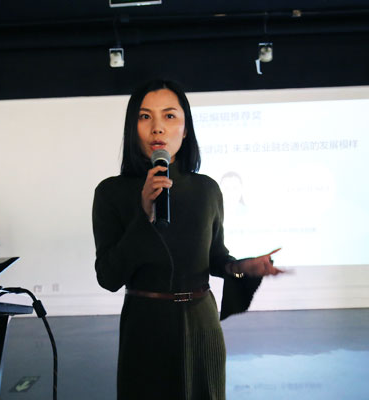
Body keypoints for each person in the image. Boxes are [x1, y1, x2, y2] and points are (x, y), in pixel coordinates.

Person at [92, 79, 285, 400]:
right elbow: (108, 277)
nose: (157, 128)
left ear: (185, 130)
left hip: (201, 325)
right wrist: (144, 215)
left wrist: (243, 268)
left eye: (169, 116)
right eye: (145, 117)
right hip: (145, 325)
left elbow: (217, 259)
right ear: (132, 128)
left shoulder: (206, 189)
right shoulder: (111, 192)